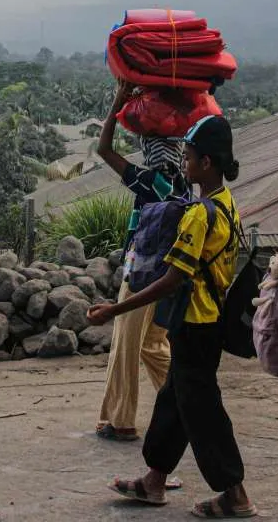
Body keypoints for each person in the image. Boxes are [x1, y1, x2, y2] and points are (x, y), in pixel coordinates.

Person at [88, 114, 257, 519]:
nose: (185, 162)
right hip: (207, 319)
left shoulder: (199, 215)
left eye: (191, 157)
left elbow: (171, 280)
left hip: (196, 322)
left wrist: (115, 309)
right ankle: (154, 481)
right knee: (174, 402)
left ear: (208, 164)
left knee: (202, 411)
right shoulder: (227, 205)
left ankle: (236, 494)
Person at [94, 80, 191, 446]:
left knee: (125, 344)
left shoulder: (149, 181)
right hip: (170, 274)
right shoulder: (184, 183)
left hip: (142, 272)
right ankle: (187, 406)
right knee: (153, 344)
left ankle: (120, 421)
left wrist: (118, 99)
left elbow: (103, 148)